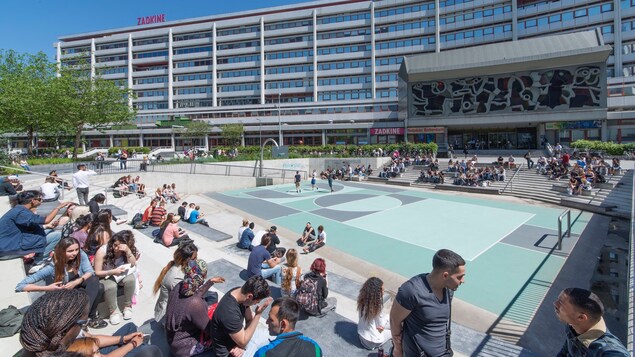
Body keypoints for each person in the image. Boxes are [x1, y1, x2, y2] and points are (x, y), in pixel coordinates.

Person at [19, 289, 161, 357]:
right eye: (82, 323)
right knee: (151, 351)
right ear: (67, 328)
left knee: (129, 328)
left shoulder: (39, 341)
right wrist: (132, 344)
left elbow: (93, 339)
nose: (83, 326)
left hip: (92, 349)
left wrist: (123, 339)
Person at [15, 237, 108, 329]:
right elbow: (20, 286)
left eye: (76, 249)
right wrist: (48, 288)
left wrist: (78, 281)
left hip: (76, 287)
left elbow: (90, 271)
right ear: (62, 251)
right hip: (62, 294)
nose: (75, 253)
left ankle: (86, 317)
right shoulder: (51, 267)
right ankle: (85, 318)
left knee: (97, 283)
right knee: (97, 287)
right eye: (70, 251)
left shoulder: (80, 254)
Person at [390, 249, 466, 357]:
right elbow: (394, 320)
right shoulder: (412, 291)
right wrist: (398, 349)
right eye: (459, 277)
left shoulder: (448, 290)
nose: (463, 280)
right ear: (445, 275)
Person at [165, 259, 225, 357]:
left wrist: (210, 282)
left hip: (173, 340)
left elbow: (194, 295)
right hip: (184, 348)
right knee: (221, 340)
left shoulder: (179, 286)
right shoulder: (195, 303)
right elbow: (210, 330)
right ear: (202, 277)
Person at [554, 287, 630, 356]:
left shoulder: (609, 352)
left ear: (581, 317)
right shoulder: (573, 325)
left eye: (561, 303)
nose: (555, 303)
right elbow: (565, 352)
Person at [211, 275, 272, 357]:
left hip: (238, 341)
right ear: (250, 297)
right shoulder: (229, 312)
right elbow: (243, 341)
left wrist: (241, 344)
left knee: (270, 337)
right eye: (257, 302)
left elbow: (249, 319)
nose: (256, 304)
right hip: (228, 352)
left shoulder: (240, 293)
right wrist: (258, 314)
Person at [0, 191, 70, 261]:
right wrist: (59, 207)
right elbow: (46, 220)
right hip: (7, 248)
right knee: (56, 236)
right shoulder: (21, 212)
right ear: (32, 201)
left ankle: (38, 256)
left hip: (8, 243)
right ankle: (40, 261)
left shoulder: (18, 209)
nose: (41, 201)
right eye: (39, 199)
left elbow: (31, 225)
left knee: (48, 230)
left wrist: (47, 226)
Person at [93, 230, 138, 325]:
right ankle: (113, 312)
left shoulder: (126, 251)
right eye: (115, 245)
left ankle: (128, 306)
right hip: (106, 275)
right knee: (111, 286)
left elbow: (133, 263)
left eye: (120, 247)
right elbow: (97, 272)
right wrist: (112, 272)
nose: (116, 249)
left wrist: (128, 251)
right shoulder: (102, 251)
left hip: (120, 274)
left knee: (130, 280)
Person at [254, 297, 323, 356]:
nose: (266, 322)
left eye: (271, 319)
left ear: (283, 324)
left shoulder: (264, 353)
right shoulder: (315, 348)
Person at [153, 242, 199, 325]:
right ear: (184, 260)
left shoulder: (178, 266)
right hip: (168, 318)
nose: (196, 260)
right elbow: (187, 297)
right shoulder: (177, 278)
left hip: (168, 310)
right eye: (194, 258)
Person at [357, 277, 391, 350]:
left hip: (362, 337)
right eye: (382, 290)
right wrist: (388, 317)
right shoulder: (376, 307)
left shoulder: (362, 301)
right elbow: (380, 325)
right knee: (394, 331)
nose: (384, 291)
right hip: (372, 342)